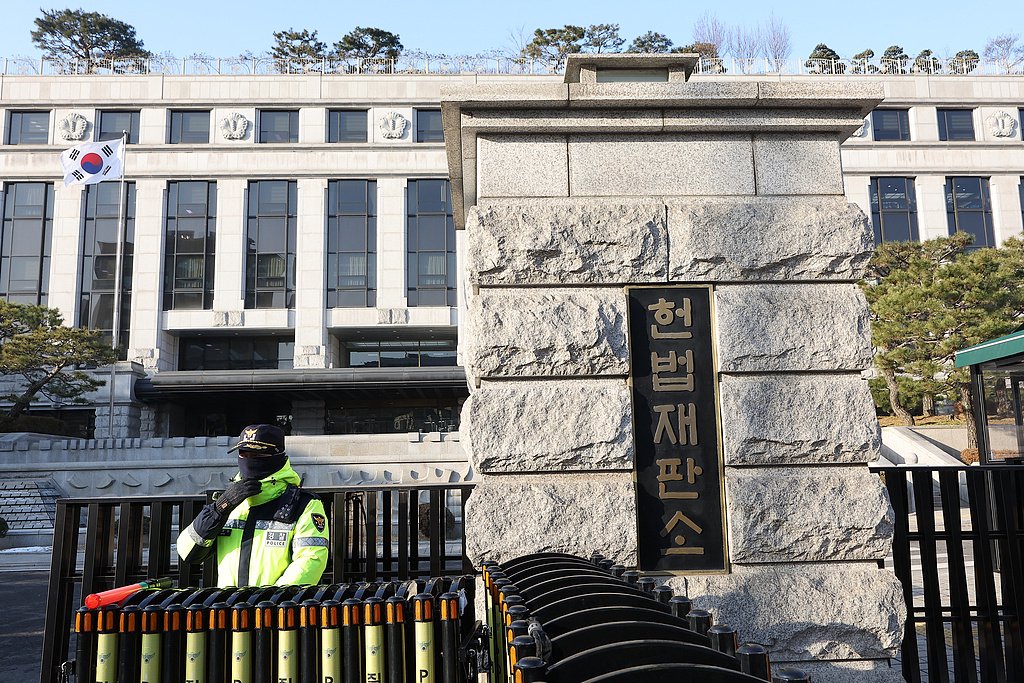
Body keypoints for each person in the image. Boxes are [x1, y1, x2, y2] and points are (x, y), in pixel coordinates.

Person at [177, 423, 329, 587]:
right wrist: (219, 509)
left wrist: (268, 603)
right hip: (229, 608)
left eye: (257, 454)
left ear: (276, 456)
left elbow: (311, 560)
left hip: (274, 608)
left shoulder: (305, 504)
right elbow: (188, 553)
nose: (248, 460)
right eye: (243, 453)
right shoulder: (229, 501)